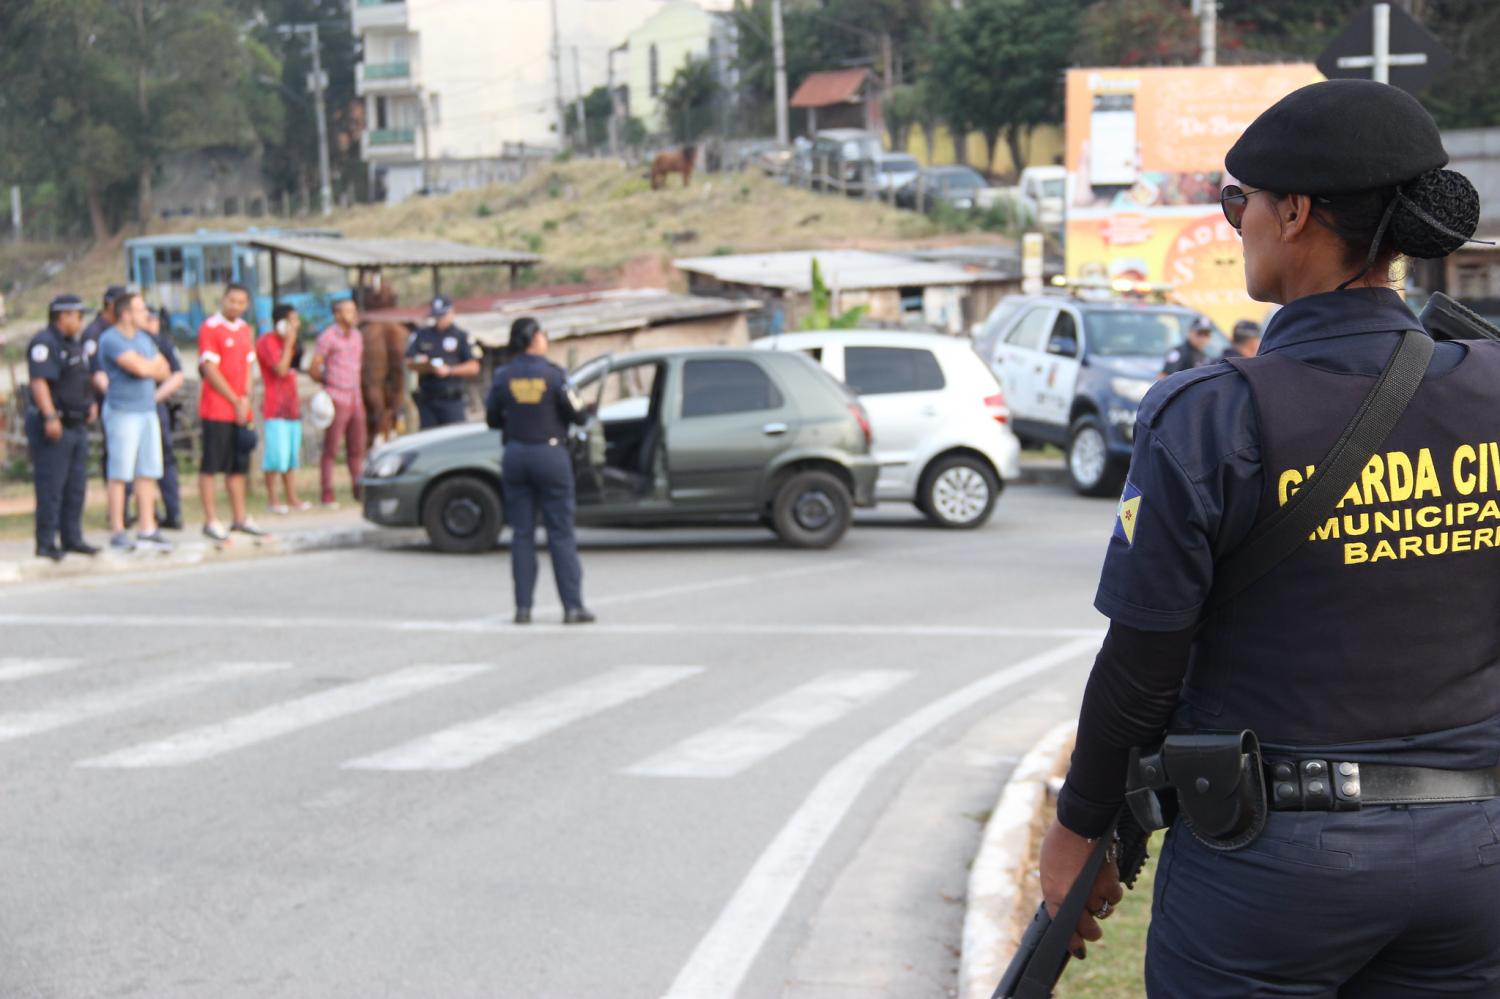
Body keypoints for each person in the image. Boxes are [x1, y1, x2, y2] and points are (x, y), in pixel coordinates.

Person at [1039, 79, 1499, 996]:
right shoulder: (1491, 388)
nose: (1229, 222)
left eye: (1233, 200)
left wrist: (1077, 827)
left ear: (1293, 212)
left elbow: (1142, 664)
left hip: (1274, 872)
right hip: (1475, 858)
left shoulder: (1213, 416)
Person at [484, 317, 594, 625]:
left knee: (522, 535)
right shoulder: (555, 374)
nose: (546, 338)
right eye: (543, 333)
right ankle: (572, 607)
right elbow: (579, 414)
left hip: (516, 454)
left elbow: (492, 418)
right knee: (561, 533)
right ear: (533, 338)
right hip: (550, 455)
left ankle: (523, 609)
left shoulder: (503, 375)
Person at [93, 291, 171, 552]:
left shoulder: (144, 338)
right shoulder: (111, 339)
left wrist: (148, 366)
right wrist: (148, 366)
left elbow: (164, 368)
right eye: (140, 310)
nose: (145, 314)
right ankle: (118, 528)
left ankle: (147, 526)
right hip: (123, 411)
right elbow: (140, 368)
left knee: (147, 470)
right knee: (120, 472)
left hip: (147, 410)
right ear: (125, 314)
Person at [25, 294, 98, 560]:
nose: (79, 321)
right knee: (51, 486)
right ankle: (46, 542)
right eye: (77, 315)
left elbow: (79, 380)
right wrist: (50, 416)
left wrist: (89, 403)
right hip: (55, 423)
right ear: (63, 316)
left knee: (75, 486)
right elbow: (39, 382)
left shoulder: (74, 344)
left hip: (77, 425)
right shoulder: (45, 343)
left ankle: (72, 537)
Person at [197, 284, 266, 542]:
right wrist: (233, 399)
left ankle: (239, 517)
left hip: (240, 410)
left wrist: (245, 399)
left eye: (241, 302)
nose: (235, 306)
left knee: (238, 467)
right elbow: (209, 369)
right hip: (217, 408)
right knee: (212, 464)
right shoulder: (211, 328)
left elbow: (249, 367)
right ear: (223, 300)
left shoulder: (245, 330)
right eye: (232, 301)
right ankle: (211, 519)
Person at [310, 296, 366, 509]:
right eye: (349, 311)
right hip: (337, 397)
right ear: (338, 315)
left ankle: (358, 489)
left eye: (354, 311)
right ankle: (327, 493)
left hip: (356, 398)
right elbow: (314, 367)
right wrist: (327, 383)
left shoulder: (357, 337)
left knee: (357, 448)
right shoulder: (327, 337)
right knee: (331, 449)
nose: (353, 315)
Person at [256, 304, 309, 513]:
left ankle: (292, 497)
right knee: (275, 457)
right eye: (292, 321)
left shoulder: (295, 343)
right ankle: (273, 500)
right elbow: (281, 369)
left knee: (290, 457)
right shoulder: (267, 342)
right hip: (274, 406)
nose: (296, 325)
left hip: (291, 405)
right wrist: (288, 343)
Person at [406, 296, 480, 429]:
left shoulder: (461, 336)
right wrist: (423, 364)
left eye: (442, 315)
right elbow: (409, 360)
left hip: (452, 399)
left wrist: (450, 370)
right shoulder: (422, 335)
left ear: (451, 312)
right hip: (427, 400)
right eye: (437, 316)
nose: (439, 320)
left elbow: (474, 367)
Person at [143, 306, 184, 529]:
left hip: (156, 406)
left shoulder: (163, 343)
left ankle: (172, 512)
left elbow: (174, 373)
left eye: (154, 320)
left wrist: (155, 397)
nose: (152, 324)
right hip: (136, 408)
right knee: (138, 466)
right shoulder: (131, 341)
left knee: (164, 461)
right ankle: (144, 514)